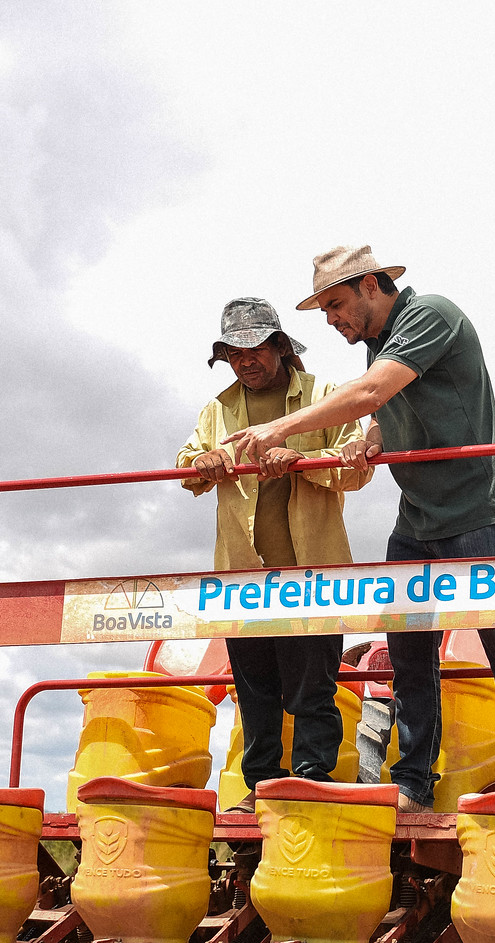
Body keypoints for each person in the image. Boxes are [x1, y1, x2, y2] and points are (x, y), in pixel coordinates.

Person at [224, 246, 495, 813]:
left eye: (336, 304)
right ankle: (413, 781)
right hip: (418, 517)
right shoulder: (381, 343)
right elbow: (386, 407)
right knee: (407, 653)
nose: (331, 319)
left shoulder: (430, 313)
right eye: (324, 309)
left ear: (373, 285)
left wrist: (277, 429)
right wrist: (368, 440)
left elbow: (371, 392)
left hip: (480, 511)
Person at [178, 297, 368, 811]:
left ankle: (311, 783)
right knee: (254, 689)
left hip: (315, 574)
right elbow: (186, 467)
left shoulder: (327, 397)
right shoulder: (216, 410)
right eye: (233, 353)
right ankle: (257, 788)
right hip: (243, 578)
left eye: (255, 349)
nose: (245, 361)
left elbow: (357, 468)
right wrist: (208, 461)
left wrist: (302, 460)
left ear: (280, 347)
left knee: (313, 688)